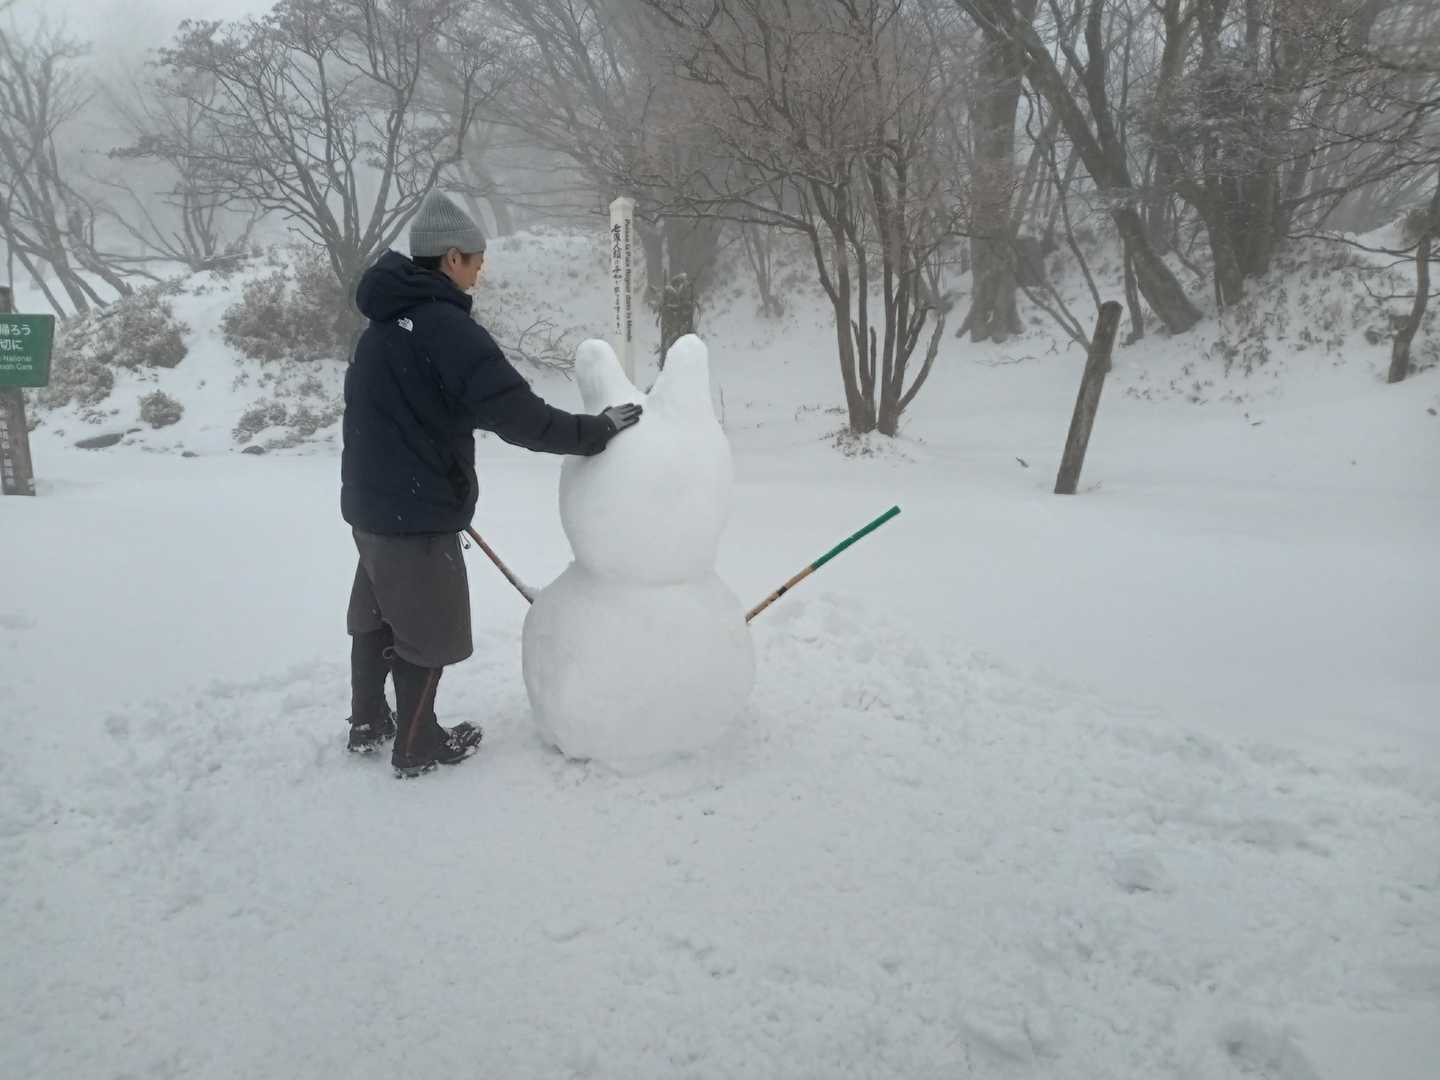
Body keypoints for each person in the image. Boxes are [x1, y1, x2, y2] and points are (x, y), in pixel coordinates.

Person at [340, 191, 642, 778]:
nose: (480, 272)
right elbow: (518, 415)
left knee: (378, 615)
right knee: (427, 630)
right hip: (418, 513)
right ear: (451, 258)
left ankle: (368, 722)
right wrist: (595, 430)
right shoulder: (446, 329)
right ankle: (417, 745)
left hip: (372, 506)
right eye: (476, 260)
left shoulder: (381, 326)